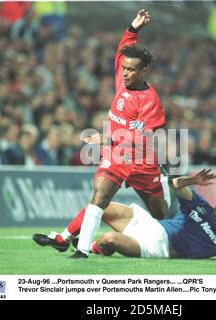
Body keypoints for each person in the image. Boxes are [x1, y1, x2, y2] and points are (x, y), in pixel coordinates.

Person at [67, 9, 168, 258]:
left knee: (160, 213)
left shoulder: (150, 101)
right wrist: (133, 29)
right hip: (117, 156)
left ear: (143, 72)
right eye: (124, 68)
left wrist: (108, 137)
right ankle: (82, 251)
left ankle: (169, 229)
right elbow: (125, 47)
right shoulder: (122, 79)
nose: (125, 73)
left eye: (132, 70)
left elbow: (141, 138)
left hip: (142, 162)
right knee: (100, 195)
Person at [33, 169, 216, 261]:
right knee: (99, 206)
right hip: (152, 225)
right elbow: (172, 185)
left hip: (158, 246)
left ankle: (90, 247)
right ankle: (63, 238)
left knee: (107, 240)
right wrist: (192, 179)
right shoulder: (201, 205)